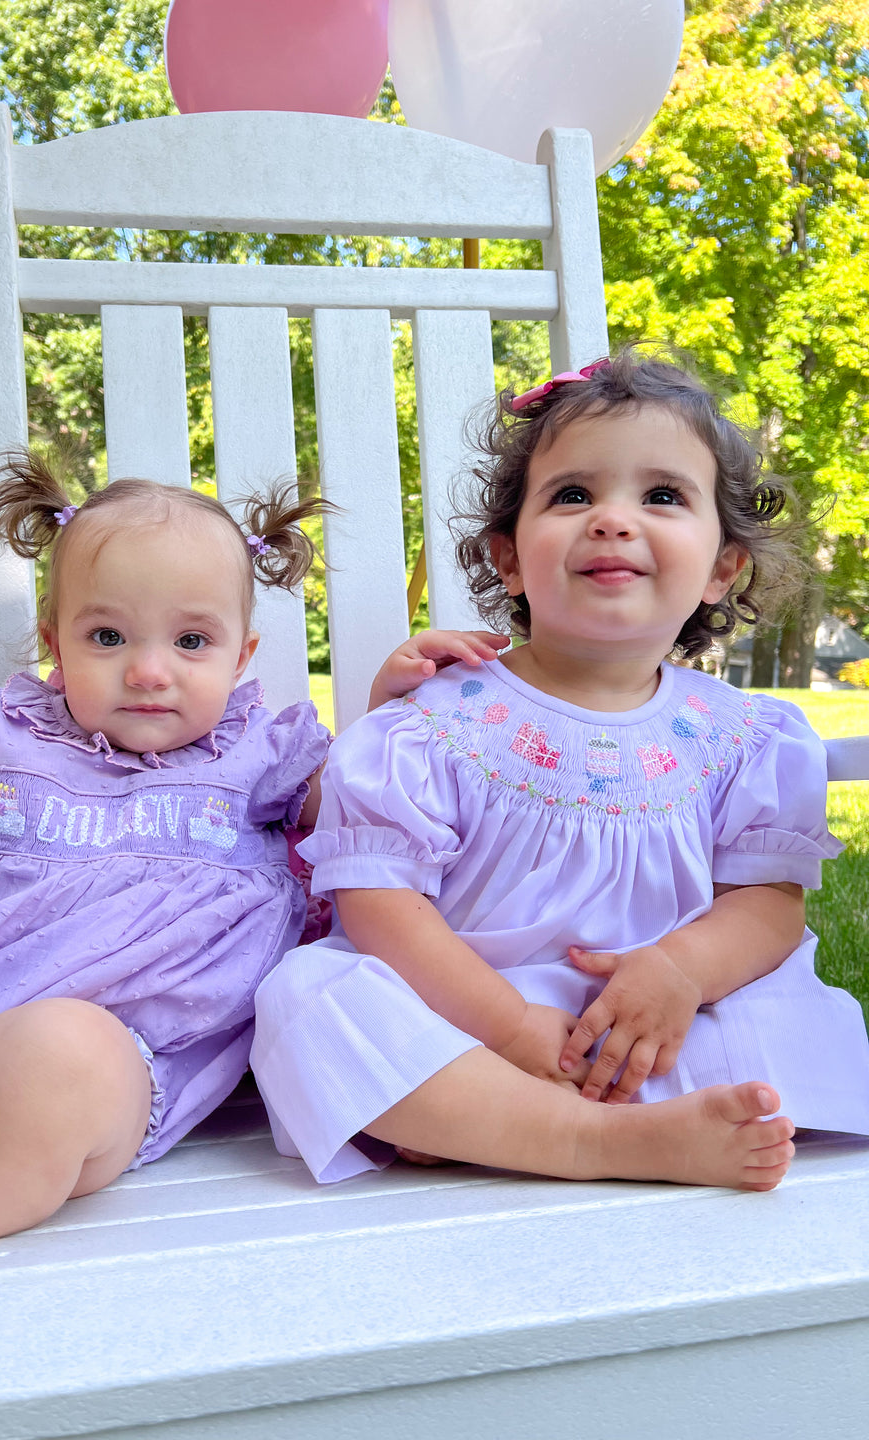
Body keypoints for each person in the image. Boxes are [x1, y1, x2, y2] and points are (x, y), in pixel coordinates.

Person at [0, 453, 503, 1385]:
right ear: (53, 641)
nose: (148, 671)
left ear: (244, 657)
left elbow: (353, 807)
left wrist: (386, 708)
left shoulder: (266, 751)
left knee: (55, 1053)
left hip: (118, 1065)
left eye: (192, 643)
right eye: (107, 636)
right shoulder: (10, 730)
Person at [252, 351, 869, 1191]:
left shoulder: (746, 737)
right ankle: (594, 1138)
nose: (613, 520)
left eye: (662, 496)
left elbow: (767, 906)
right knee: (309, 999)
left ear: (724, 566)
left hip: (660, 1015)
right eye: (573, 495)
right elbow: (379, 905)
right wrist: (507, 1028)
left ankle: (494, 1121)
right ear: (508, 559)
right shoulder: (437, 721)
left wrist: (681, 971)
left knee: (788, 1016)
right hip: (469, 1012)